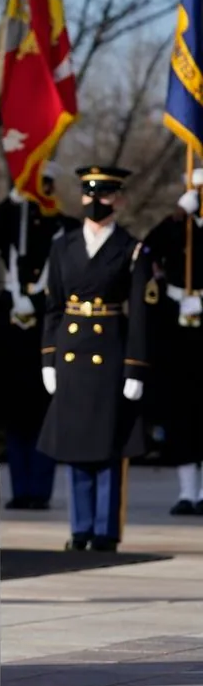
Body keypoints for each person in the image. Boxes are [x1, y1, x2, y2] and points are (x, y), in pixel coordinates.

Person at [38, 165, 153, 552]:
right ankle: (80, 527)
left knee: (107, 448)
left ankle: (105, 531)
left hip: (110, 353)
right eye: (89, 194)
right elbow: (53, 307)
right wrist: (49, 359)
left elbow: (139, 312)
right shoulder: (63, 245)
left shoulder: (132, 249)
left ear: (117, 199)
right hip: (72, 356)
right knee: (76, 446)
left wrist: (135, 366)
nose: (94, 202)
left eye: (103, 195)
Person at [0, 171, 78, 509]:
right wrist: (11, 201)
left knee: (44, 414)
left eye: (45, 185)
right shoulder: (13, 220)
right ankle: (21, 489)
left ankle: (40, 489)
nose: (41, 192)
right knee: (15, 415)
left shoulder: (65, 226)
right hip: (12, 325)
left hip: (49, 320)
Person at [142, 168, 203, 515]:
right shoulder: (177, 227)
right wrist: (178, 217)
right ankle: (186, 492)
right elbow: (147, 250)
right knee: (181, 412)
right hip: (179, 325)